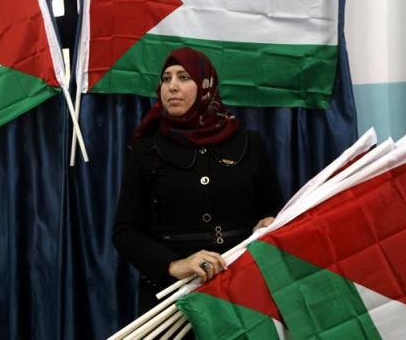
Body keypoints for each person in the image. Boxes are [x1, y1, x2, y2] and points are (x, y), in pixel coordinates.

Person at [113, 47, 282, 315]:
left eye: (183, 77)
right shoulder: (145, 149)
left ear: (205, 86)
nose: (172, 87)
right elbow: (125, 232)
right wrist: (174, 265)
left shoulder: (249, 143)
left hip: (242, 287)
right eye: (166, 79)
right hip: (174, 299)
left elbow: (273, 210)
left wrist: (269, 222)